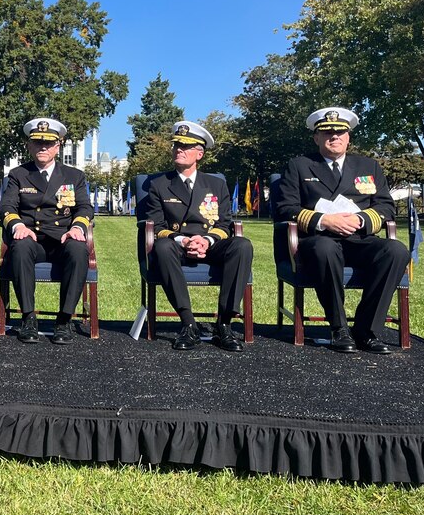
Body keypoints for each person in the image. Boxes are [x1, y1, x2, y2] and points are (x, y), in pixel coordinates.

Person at [273, 107, 409, 354]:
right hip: (318, 239)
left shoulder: (369, 166)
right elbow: (285, 208)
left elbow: (386, 206)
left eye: (340, 132)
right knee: (325, 248)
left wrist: (360, 220)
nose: (334, 137)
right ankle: (339, 328)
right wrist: (325, 221)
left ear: (349, 137)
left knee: (396, 251)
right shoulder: (300, 165)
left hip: (359, 238)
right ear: (316, 138)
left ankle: (367, 330)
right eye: (326, 133)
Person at [139, 121, 252, 352]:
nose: (178, 149)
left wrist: (206, 240)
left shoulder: (216, 184)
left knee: (242, 245)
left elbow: (224, 222)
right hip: (178, 244)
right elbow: (157, 225)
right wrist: (184, 240)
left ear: (199, 153)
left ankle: (225, 324)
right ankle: (188, 323)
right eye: (176, 145)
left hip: (209, 243)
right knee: (161, 247)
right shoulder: (159, 184)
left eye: (186, 146)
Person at [0, 118, 94, 344]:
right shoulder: (18, 174)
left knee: (79, 250)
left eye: (48, 143)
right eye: (37, 142)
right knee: (19, 247)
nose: (43, 147)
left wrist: (77, 227)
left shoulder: (74, 176)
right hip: (32, 239)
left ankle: (64, 320)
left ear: (57, 147)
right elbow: (6, 207)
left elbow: (84, 207)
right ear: (29, 146)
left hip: (62, 239)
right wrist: (18, 225)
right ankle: (28, 318)